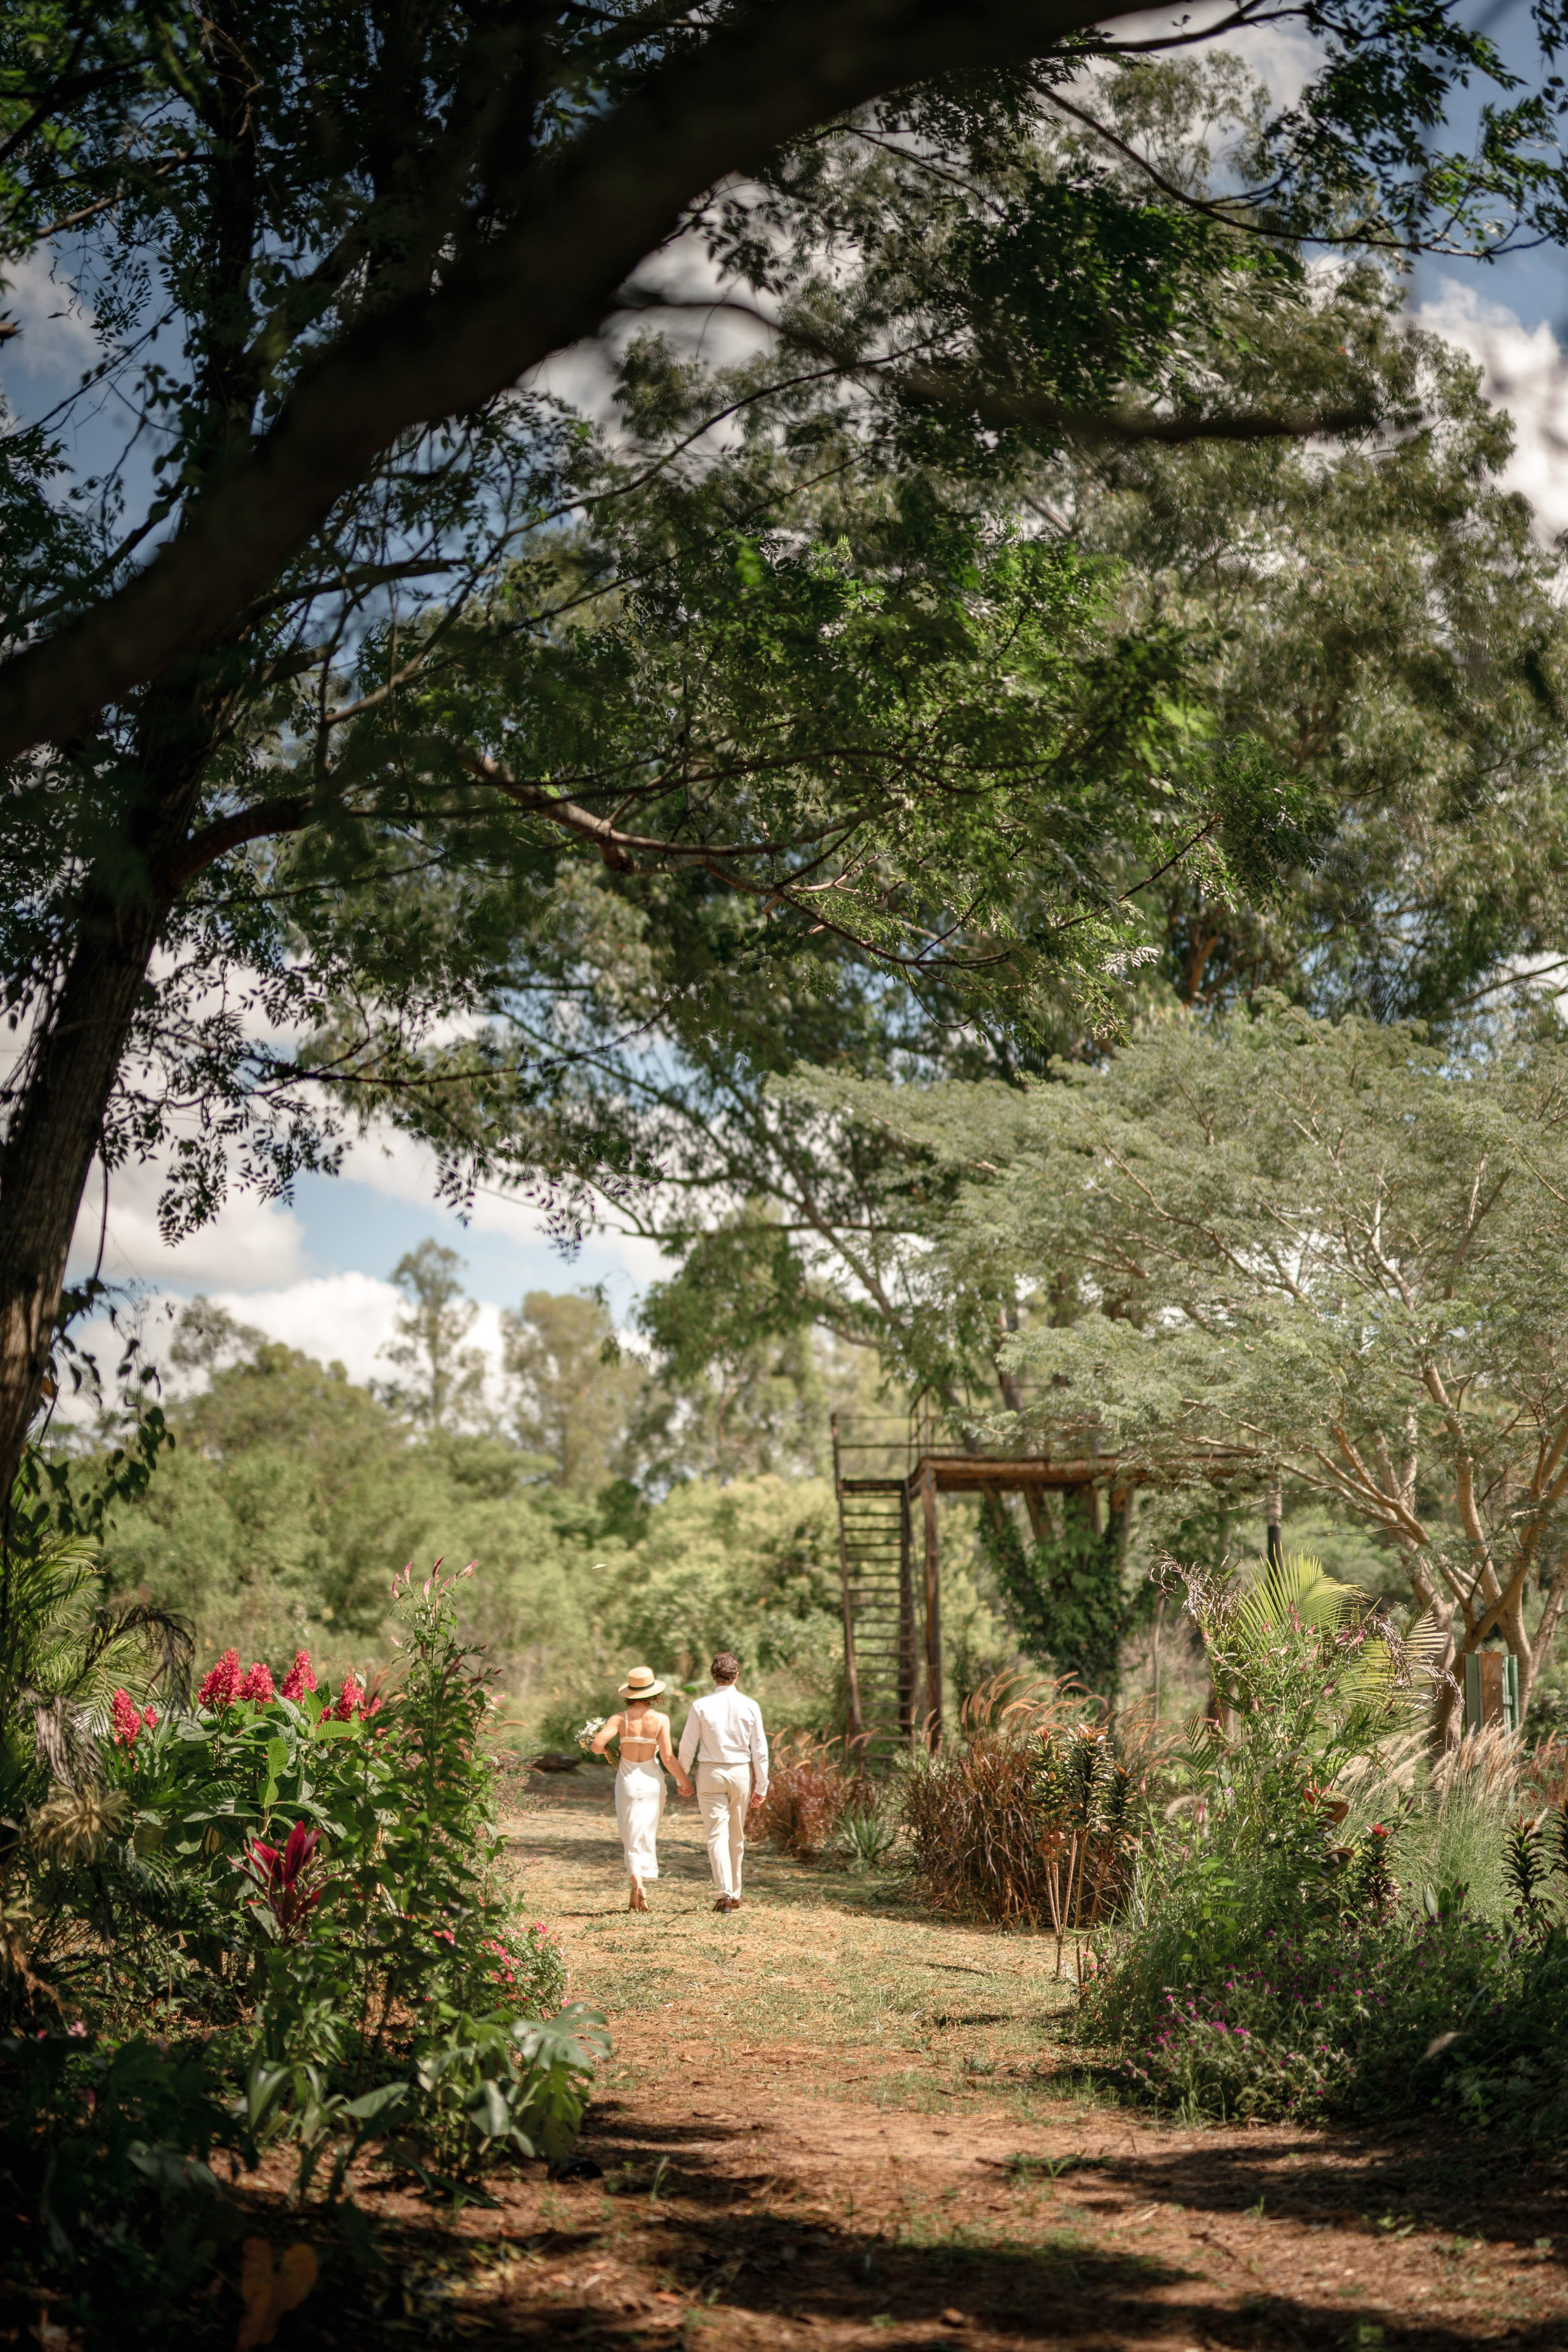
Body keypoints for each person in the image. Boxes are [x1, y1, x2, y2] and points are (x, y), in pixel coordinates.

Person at [590, 1667, 692, 1910]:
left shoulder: (619, 1719)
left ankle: (637, 1884)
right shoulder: (660, 1720)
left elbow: (596, 1746)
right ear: (654, 1694)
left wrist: (609, 1752)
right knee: (645, 1833)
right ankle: (639, 1886)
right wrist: (684, 1782)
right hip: (652, 1782)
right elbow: (667, 1758)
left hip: (627, 1781)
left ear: (629, 1693)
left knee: (629, 1834)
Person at [677, 1651, 769, 1913]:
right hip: (740, 1772)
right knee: (736, 1834)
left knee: (716, 1834)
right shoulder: (750, 1705)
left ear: (713, 1676)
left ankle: (724, 1894)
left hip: (711, 1772)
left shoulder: (701, 1706)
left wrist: (682, 1777)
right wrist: (762, 1786)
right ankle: (736, 1893)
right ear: (737, 1675)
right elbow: (760, 1749)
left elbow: (687, 1746)